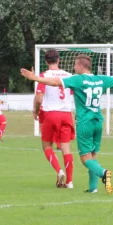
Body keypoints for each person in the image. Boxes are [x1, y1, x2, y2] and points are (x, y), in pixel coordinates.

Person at [21, 55, 113, 194]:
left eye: (75, 65)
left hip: (85, 123)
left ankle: (104, 173)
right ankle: (93, 188)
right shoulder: (100, 79)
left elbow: (55, 82)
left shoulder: (78, 79)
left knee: (85, 159)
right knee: (93, 155)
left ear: (80, 66)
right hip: (98, 122)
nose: (73, 67)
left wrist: (35, 78)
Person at [33, 49, 75, 189]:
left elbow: (39, 97)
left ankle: (59, 171)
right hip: (66, 114)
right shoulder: (69, 76)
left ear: (46, 62)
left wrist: (36, 110)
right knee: (66, 148)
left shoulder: (44, 76)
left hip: (51, 114)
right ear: (59, 60)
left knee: (47, 145)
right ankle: (69, 182)